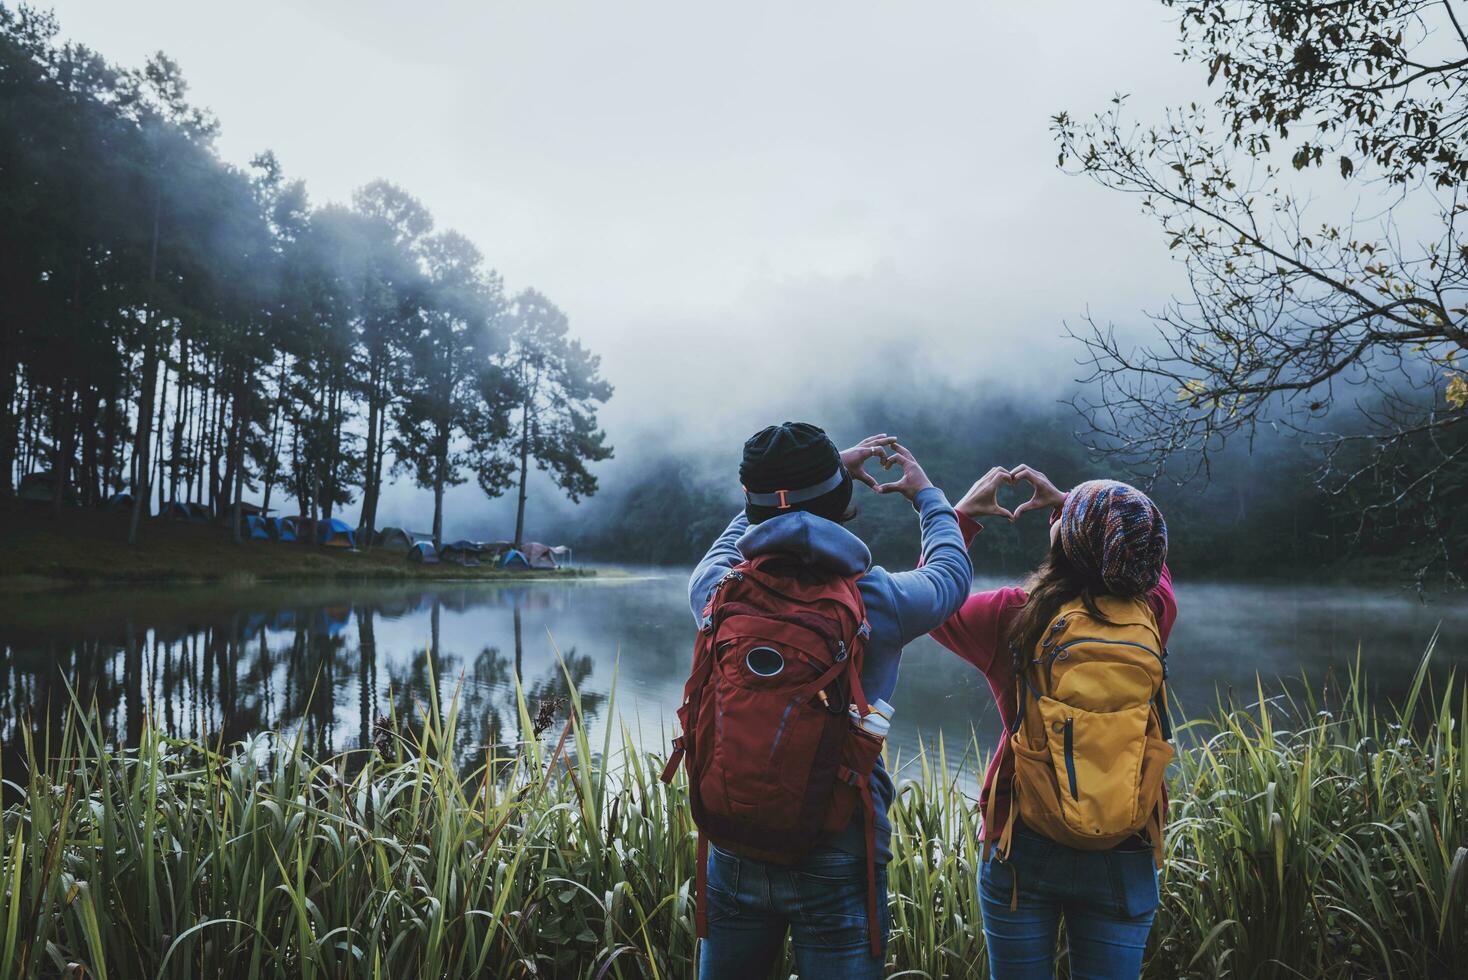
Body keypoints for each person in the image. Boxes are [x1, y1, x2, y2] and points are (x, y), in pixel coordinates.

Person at [686, 422, 972, 980]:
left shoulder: (716, 589)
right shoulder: (876, 600)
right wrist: (928, 498)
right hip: (840, 844)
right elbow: (950, 576)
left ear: (751, 502)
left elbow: (738, 533)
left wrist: (799, 484)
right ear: (841, 499)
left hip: (735, 838)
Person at [932, 464, 1177, 980]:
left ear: (1067, 541)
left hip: (1023, 838)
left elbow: (935, 600)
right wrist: (1075, 506)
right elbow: (1147, 555)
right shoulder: (1151, 614)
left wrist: (960, 518)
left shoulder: (1014, 614)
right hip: (1125, 839)